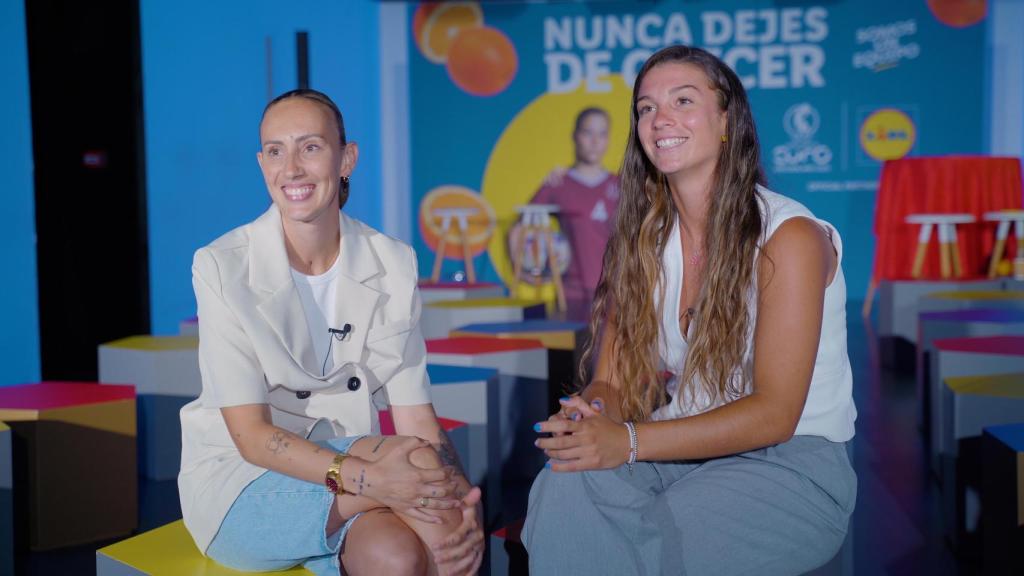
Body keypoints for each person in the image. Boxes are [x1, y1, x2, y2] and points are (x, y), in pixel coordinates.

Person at [524, 45, 857, 575]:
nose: (660, 120)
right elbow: (609, 382)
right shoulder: (641, 242)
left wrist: (626, 441)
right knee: (563, 484)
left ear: (727, 120)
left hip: (790, 460)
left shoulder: (789, 237)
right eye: (646, 108)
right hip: (675, 448)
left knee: (650, 542)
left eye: (682, 100)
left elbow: (776, 413)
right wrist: (592, 416)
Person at [178, 89, 483, 576]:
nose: (292, 169)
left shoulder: (392, 261)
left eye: (311, 147)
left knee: (402, 551)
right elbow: (253, 438)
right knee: (422, 478)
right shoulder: (221, 266)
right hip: (243, 480)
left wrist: (464, 504)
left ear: (347, 159)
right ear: (262, 165)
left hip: (351, 465)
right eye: (276, 151)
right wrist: (370, 481)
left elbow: (415, 418)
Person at [527, 107, 620, 321]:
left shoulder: (621, 185)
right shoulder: (558, 184)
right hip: (571, 296)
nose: (595, 141)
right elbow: (521, 232)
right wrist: (528, 270)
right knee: (575, 354)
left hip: (615, 293)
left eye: (602, 134)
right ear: (575, 136)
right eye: (588, 132)